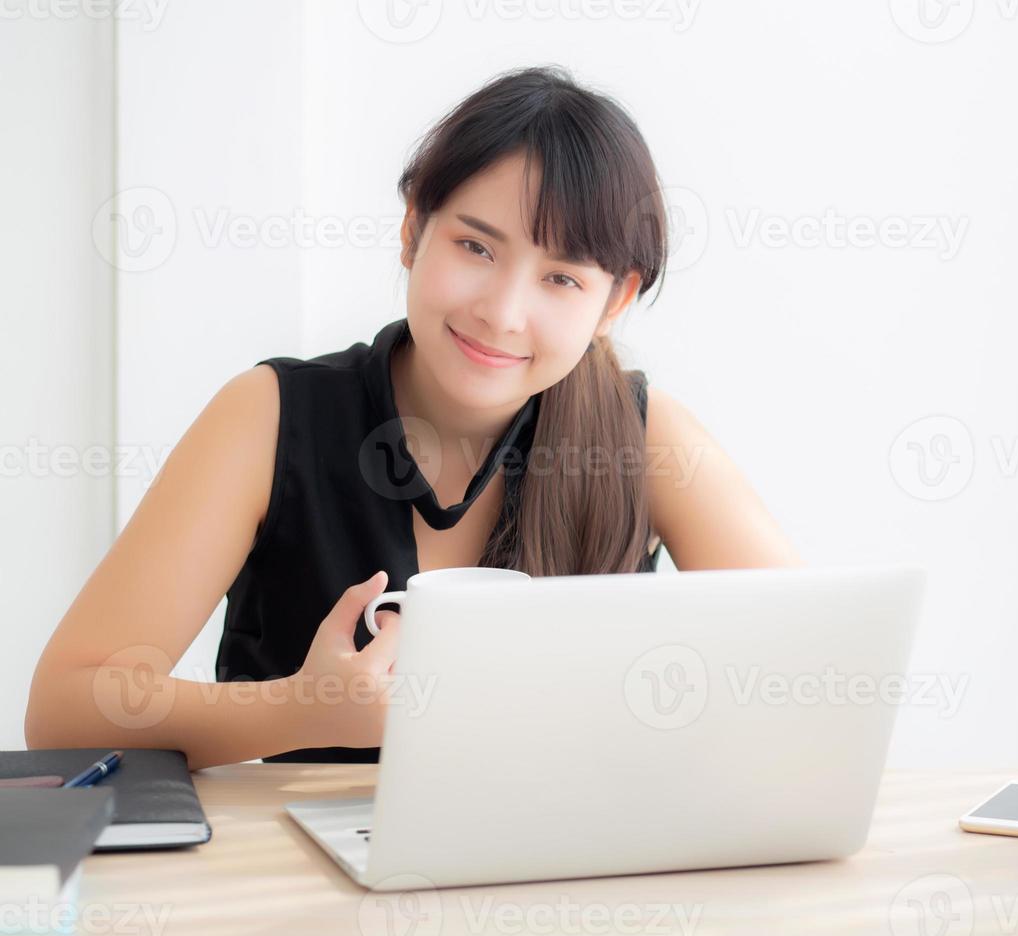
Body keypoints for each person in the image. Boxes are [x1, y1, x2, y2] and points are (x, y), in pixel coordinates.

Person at [25, 66, 801, 769]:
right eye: (475, 246)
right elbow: (64, 708)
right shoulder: (269, 416)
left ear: (615, 302)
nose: (502, 313)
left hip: (565, 887)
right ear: (412, 230)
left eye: (561, 279)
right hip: (298, 894)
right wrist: (300, 708)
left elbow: (811, 674)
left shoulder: (646, 438)